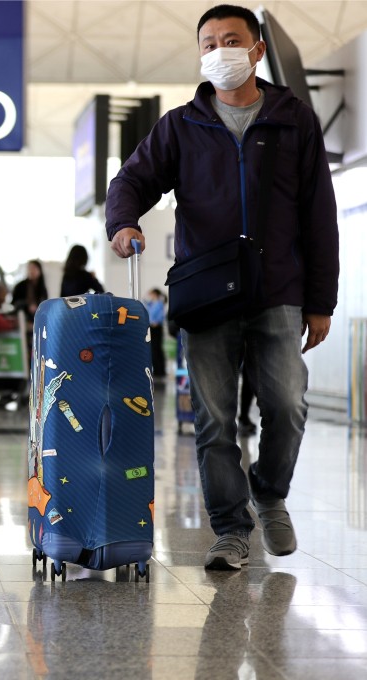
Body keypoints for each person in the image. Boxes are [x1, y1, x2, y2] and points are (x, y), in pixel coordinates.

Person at [105, 5, 339, 571]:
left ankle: (269, 491)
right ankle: (231, 530)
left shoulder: (294, 118)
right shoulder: (181, 124)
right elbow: (131, 180)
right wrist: (124, 221)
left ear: (257, 49)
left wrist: (320, 300)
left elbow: (318, 213)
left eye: (231, 40)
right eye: (209, 43)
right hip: (206, 293)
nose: (219, 51)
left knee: (287, 406)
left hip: (279, 289)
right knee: (213, 421)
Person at [11, 259, 48, 326]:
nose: (31, 271)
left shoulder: (42, 287)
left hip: (38, 313)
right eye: (30, 268)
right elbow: (14, 302)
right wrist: (28, 305)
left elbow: (45, 302)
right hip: (24, 314)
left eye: (34, 268)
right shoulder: (20, 286)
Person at [144, 288, 167, 378]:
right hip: (151, 328)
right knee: (153, 349)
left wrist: (156, 322)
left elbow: (160, 316)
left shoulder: (159, 304)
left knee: (157, 349)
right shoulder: (152, 304)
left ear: (155, 294)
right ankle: (157, 370)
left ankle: (160, 371)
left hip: (156, 328)